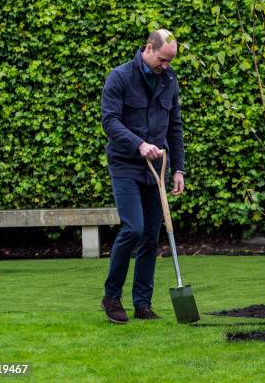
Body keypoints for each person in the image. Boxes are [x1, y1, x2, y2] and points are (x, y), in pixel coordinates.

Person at [100, 29, 185, 323]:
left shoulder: (169, 80)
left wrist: (178, 168)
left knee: (150, 236)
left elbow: (175, 125)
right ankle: (111, 297)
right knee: (133, 229)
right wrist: (139, 143)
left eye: (170, 61)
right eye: (163, 60)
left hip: (157, 167)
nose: (166, 66)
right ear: (149, 49)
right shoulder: (120, 77)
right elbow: (110, 121)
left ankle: (142, 304)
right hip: (126, 163)